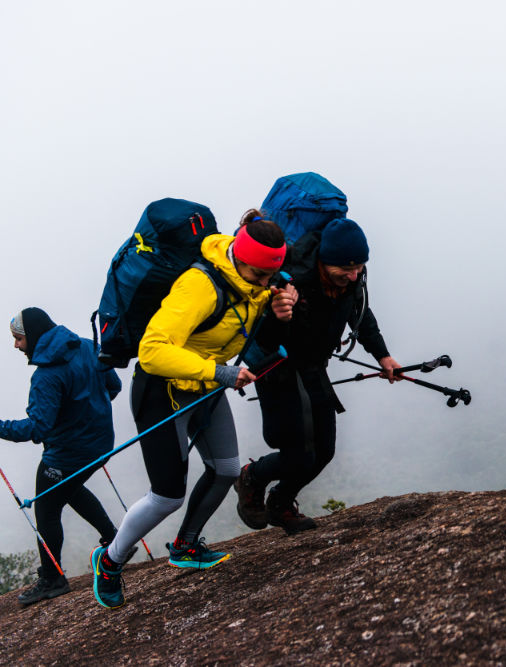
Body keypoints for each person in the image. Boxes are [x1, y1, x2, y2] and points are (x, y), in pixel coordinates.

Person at [91, 210, 297, 609]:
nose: (266, 283)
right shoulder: (199, 285)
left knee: (226, 470)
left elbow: (253, 317)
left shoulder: (255, 283)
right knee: (167, 495)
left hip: (207, 386)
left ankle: (185, 546)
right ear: (237, 257)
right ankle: (111, 560)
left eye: (272, 276)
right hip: (161, 389)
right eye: (259, 276)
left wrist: (281, 305)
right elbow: (151, 352)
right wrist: (219, 373)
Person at [234, 218, 399, 535]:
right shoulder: (291, 278)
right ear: (324, 261)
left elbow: (361, 317)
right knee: (299, 453)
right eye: (345, 270)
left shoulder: (352, 281)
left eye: (359, 268)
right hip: (278, 368)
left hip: (313, 366)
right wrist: (280, 313)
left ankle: (280, 503)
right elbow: (263, 332)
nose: (353, 276)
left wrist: (383, 356)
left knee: (324, 451)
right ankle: (252, 476)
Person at [1, 307, 121, 606]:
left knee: (47, 508)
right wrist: (84, 415)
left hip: (68, 452)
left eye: (18, 339)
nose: (16, 345)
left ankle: (53, 579)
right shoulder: (86, 345)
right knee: (68, 489)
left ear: (34, 337)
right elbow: (113, 387)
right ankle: (116, 540)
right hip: (101, 443)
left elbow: (37, 428)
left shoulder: (46, 377)